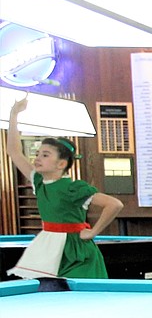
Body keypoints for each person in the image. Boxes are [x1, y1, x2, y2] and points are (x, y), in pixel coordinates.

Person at [6, 97, 122, 279]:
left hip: (75, 251)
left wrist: (93, 231)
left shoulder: (73, 188)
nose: (37, 158)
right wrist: (14, 115)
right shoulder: (39, 182)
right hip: (48, 246)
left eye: (45, 155)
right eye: (37, 154)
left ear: (61, 163)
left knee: (81, 297)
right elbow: (14, 152)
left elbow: (114, 204)